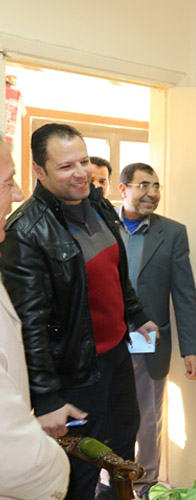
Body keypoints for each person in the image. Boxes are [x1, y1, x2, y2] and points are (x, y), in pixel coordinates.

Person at [0, 123, 158, 499]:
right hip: (75, 371)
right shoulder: (25, 232)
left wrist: (136, 314)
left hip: (116, 354)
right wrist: (46, 398)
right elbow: (30, 325)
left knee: (121, 451)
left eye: (84, 161)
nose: (81, 173)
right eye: (66, 166)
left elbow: (115, 274)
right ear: (39, 171)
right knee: (80, 471)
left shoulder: (98, 205)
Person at [116, 162, 196, 498]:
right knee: (106, 413)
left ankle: (144, 484)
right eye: (144, 186)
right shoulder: (100, 227)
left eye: (156, 186)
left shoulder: (173, 233)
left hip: (146, 338)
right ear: (123, 189)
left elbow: (184, 295)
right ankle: (110, 481)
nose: (152, 193)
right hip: (104, 339)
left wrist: (191, 349)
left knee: (147, 416)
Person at [0, 142, 70, 500]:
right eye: (6, 182)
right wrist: (55, 467)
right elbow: (13, 458)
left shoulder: (96, 215)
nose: (17, 193)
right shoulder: (26, 229)